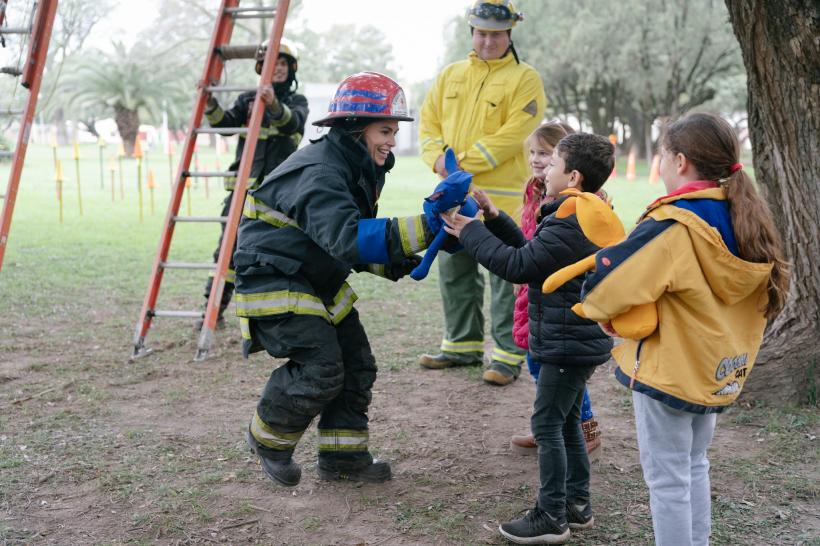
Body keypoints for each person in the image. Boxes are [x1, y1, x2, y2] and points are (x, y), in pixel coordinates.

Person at [578, 112, 789, 546]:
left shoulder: (674, 225)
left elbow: (607, 286)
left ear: (679, 161)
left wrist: (598, 308)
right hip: (716, 370)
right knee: (693, 466)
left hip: (670, 373)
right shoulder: (747, 215)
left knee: (668, 481)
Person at [236, 72, 436, 487]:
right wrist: (428, 227)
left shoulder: (351, 163)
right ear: (354, 127)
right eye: (385, 130)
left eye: (394, 131)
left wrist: (400, 259)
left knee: (357, 364)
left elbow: (342, 235)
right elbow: (348, 239)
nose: (392, 141)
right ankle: (268, 439)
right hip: (275, 277)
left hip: (312, 276)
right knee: (322, 366)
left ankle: (344, 459)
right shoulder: (322, 171)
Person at [443, 133, 616, 543]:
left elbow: (517, 266)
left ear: (572, 176)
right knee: (567, 421)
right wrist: (494, 218)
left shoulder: (570, 221)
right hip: (575, 339)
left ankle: (551, 516)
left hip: (565, 342)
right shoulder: (577, 212)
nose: (545, 169)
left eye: (553, 163)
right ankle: (577, 506)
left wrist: (470, 232)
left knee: (548, 424)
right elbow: (533, 255)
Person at [417, 0, 546, 385]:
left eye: (496, 34)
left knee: (506, 276)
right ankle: (461, 346)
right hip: (451, 196)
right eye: (482, 33)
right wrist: (437, 159)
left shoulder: (525, 79)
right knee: (454, 269)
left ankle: (507, 356)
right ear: (471, 33)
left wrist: (461, 163)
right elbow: (428, 124)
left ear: (509, 35)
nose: (488, 41)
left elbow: (515, 134)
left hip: (501, 202)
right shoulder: (449, 75)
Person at [508, 122, 602, 459]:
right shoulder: (534, 190)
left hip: (562, 296)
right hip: (534, 287)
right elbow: (528, 238)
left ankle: (582, 426)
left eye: (546, 154)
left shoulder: (580, 201)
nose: (536, 160)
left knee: (557, 365)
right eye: (533, 152)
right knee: (536, 360)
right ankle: (550, 423)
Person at [200, 39, 308, 327]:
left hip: (280, 195)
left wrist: (272, 104)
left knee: (276, 251)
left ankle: (275, 313)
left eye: (283, 64)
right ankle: (212, 311)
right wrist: (210, 103)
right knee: (227, 250)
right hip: (241, 193)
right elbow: (225, 126)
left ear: (292, 69)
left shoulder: (298, 102)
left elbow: (291, 125)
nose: (279, 69)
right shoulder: (247, 100)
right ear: (262, 68)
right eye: (273, 63)